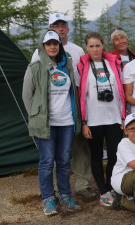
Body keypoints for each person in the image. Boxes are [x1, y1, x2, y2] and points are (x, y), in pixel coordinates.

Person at [31, 13, 96, 200]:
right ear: (50, 28)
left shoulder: (76, 51)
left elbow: (82, 79)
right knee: (50, 158)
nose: (60, 28)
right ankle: (52, 193)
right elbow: (33, 87)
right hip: (49, 114)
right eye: (55, 25)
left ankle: (82, 185)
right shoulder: (38, 54)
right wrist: (36, 114)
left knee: (76, 150)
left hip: (72, 108)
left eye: (63, 25)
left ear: (68, 29)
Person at [22, 29, 82, 215]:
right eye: (48, 44)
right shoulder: (35, 67)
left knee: (64, 161)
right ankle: (48, 199)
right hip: (45, 123)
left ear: (59, 45)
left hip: (66, 121)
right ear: (43, 46)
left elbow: (73, 93)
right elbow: (27, 96)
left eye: (55, 43)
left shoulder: (67, 66)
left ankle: (65, 195)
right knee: (47, 161)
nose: (52, 47)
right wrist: (36, 116)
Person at [78, 32, 126, 207]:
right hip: (94, 120)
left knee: (114, 154)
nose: (95, 49)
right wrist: (84, 122)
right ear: (87, 48)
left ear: (103, 45)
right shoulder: (82, 66)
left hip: (114, 117)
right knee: (96, 156)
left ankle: (111, 186)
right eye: (91, 46)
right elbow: (81, 96)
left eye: (98, 45)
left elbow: (121, 92)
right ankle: (104, 191)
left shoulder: (113, 63)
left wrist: (123, 116)